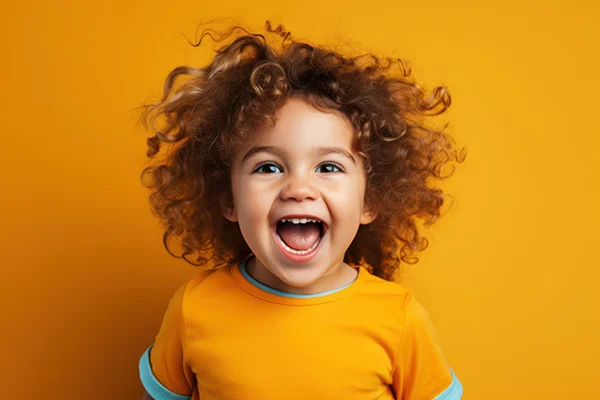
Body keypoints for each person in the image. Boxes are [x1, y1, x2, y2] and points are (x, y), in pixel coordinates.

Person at [137, 20, 466, 400]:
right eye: (268, 167)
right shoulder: (194, 308)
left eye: (328, 167)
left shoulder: (400, 318)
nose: (298, 189)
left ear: (370, 201)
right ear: (228, 198)